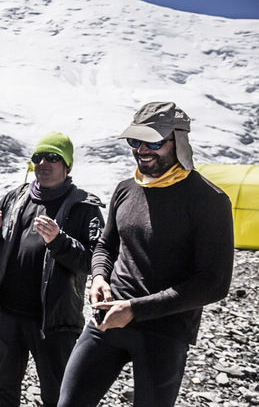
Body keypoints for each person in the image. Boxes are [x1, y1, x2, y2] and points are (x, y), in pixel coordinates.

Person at [58, 102, 234, 407]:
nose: (142, 150)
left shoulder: (209, 200)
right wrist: (99, 276)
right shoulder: (126, 189)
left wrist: (136, 309)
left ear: (178, 141)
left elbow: (214, 283)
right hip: (107, 320)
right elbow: (105, 245)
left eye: (153, 141)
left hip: (165, 332)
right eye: (135, 141)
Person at [0, 132, 105, 407]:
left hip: (54, 323)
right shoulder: (16, 197)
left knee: (58, 395)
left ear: (67, 165)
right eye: (38, 157)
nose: (43, 163)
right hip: (7, 315)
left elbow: (95, 260)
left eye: (53, 157)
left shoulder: (85, 207)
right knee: (3, 388)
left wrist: (59, 241)